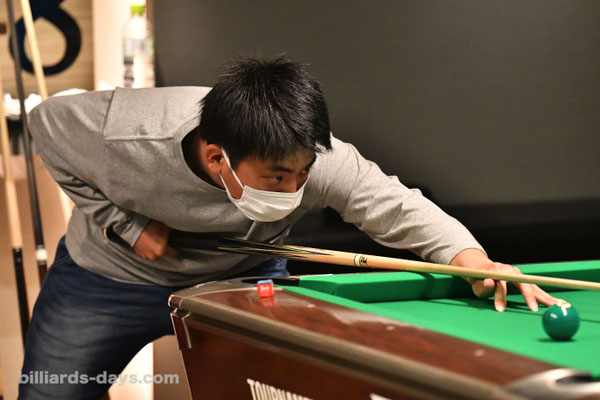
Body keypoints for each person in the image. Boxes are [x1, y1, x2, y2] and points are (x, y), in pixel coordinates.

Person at [20, 56, 557, 399]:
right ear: (217, 158)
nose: (294, 189)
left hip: (242, 277)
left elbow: (395, 206)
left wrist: (472, 259)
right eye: (276, 178)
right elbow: (42, 127)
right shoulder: (123, 134)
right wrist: (127, 224)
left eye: (302, 175)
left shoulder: (317, 160)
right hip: (106, 280)